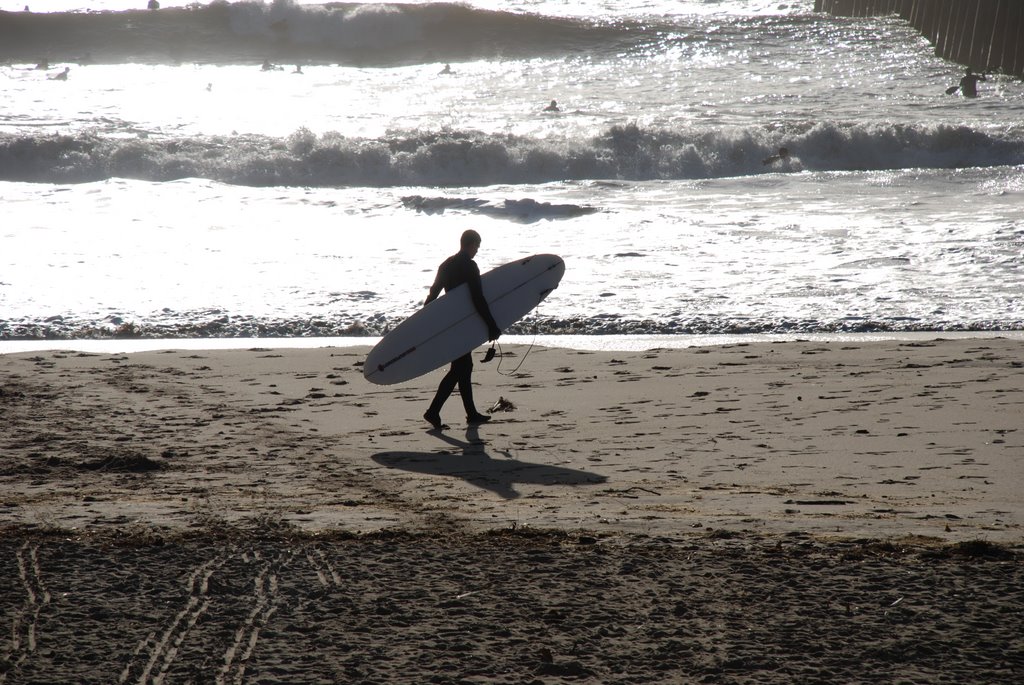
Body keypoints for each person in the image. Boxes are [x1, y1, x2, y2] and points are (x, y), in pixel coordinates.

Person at [422, 229, 501, 431]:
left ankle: (471, 413)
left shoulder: (446, 265)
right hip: (462, 324)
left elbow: (432, 297)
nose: (477, 251)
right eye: (477, 246)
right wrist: (491, 325)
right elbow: (477, 298)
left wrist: (426, 324)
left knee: (464, 367)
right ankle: (433, 410)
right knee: (460, 368)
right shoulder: (469, 266)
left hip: (449, 324)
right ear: (470, 244)